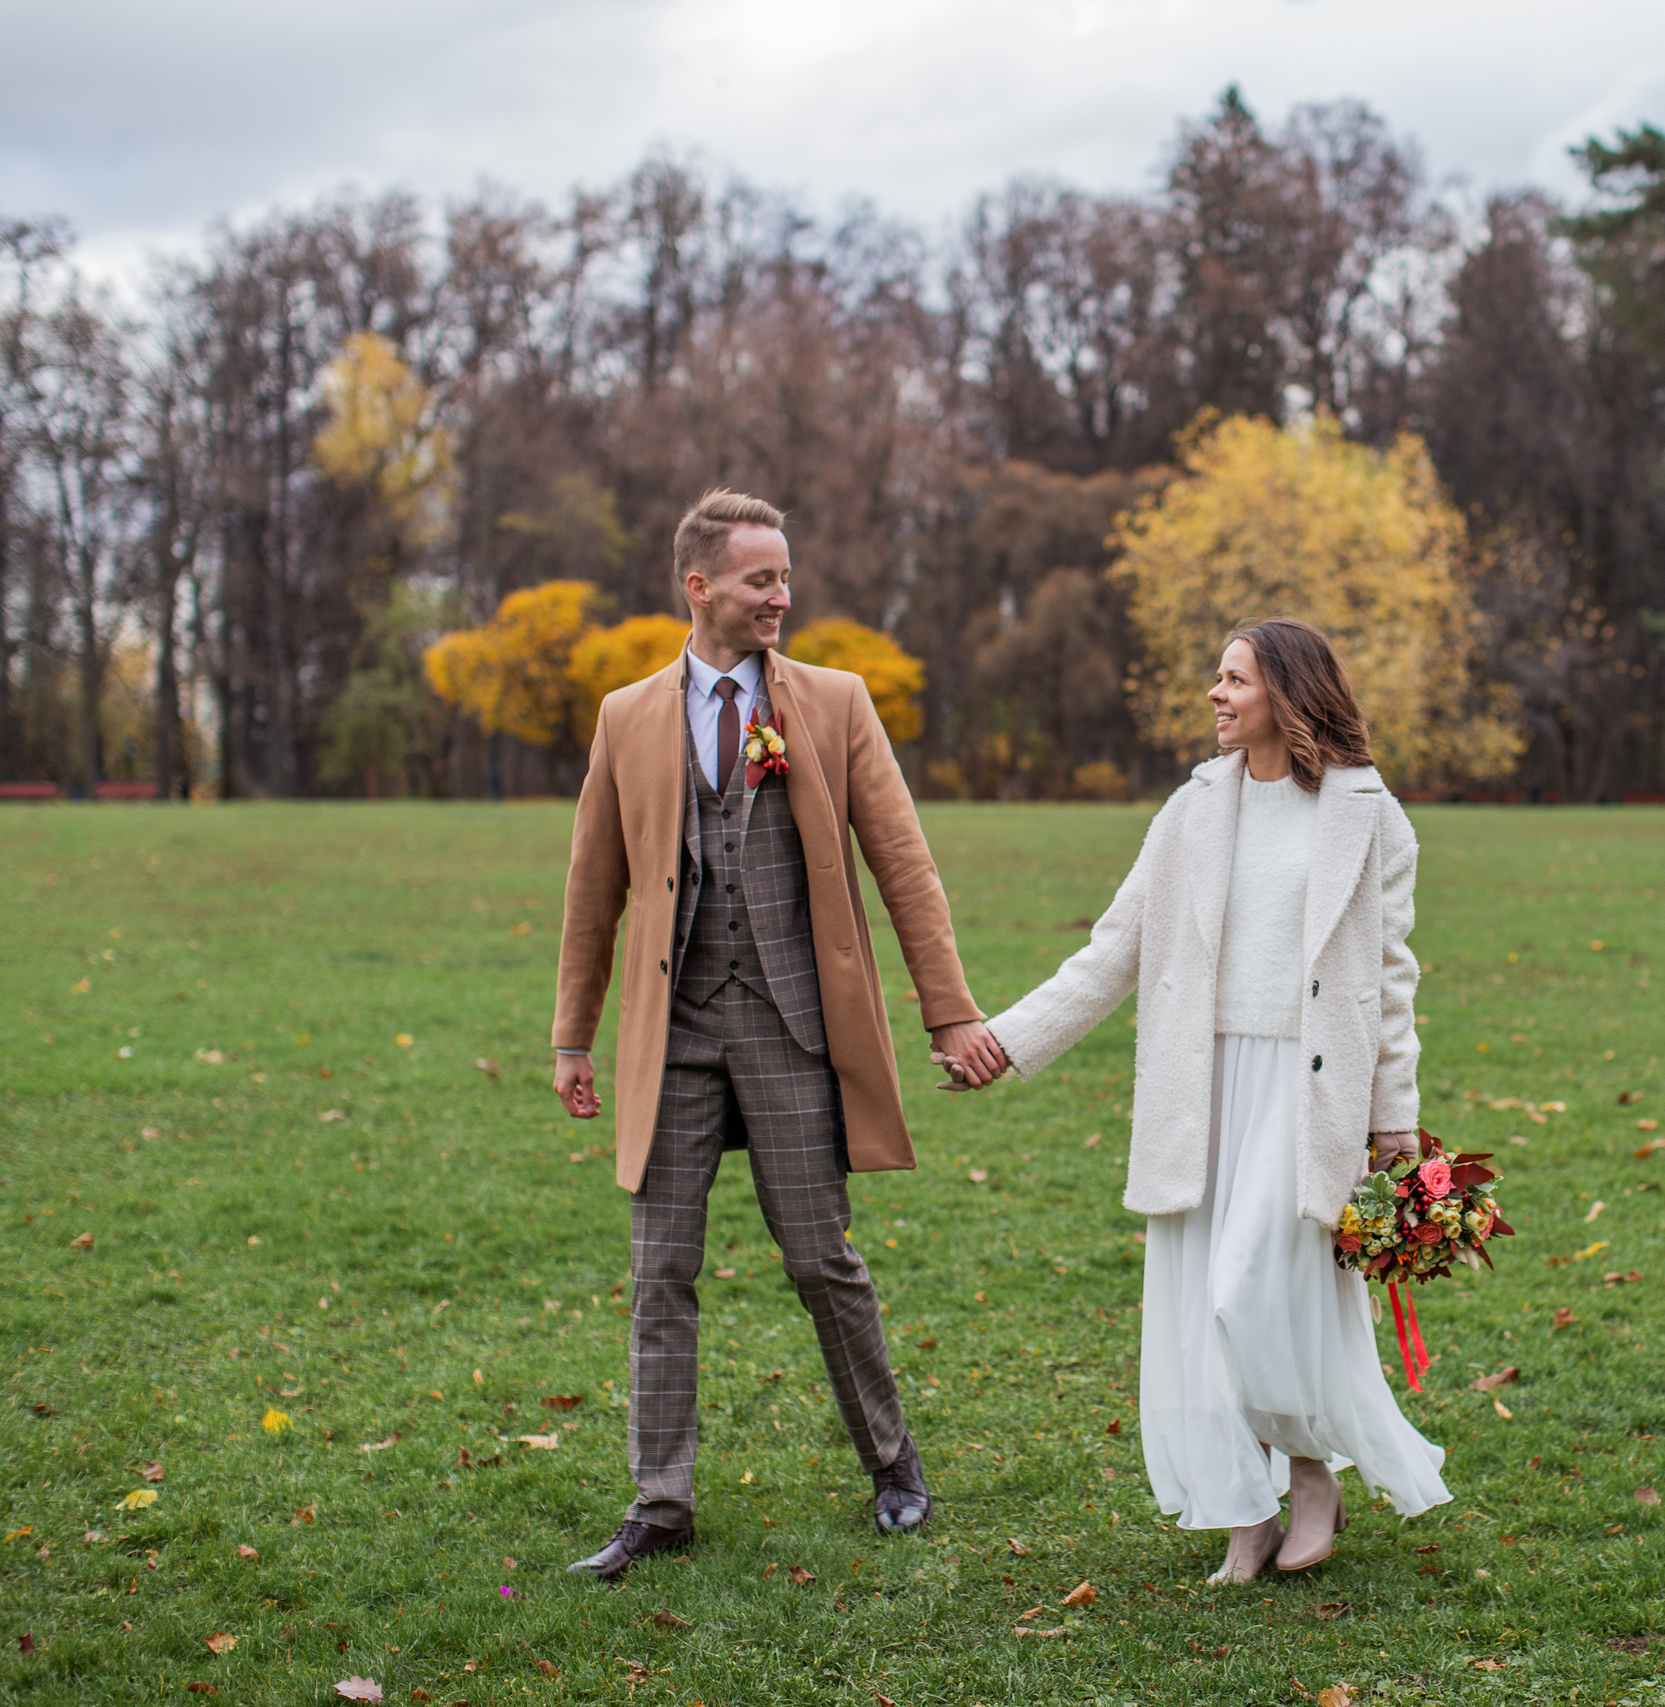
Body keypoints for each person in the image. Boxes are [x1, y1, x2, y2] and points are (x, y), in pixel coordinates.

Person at [549, 489, 1008, 1580]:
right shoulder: (626, 717)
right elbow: (590, 889)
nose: (781, 597)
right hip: (675, 1040)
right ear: (698, 586)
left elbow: (904, 865)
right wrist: (573, 1036)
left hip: (793, 1028)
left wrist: (949, 1011)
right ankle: (660, 1502)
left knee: (821, 1260)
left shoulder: (837, 704)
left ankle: (895, 1467)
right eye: (761, 580)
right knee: (660, 1270)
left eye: (786, 578)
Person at [966, 617, 1451, 1585]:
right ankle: (1242, 1512)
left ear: (1287, 692)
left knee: (1254, 1290)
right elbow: (1115, 949)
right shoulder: (1190, 810)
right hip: (1205, 1087)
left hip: (1309, 1096)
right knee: (1202, 1305)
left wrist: (1393, 1120)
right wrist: (1004, 1042)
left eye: (1232, 679)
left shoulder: (1368, 816)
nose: (1213, 695)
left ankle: (1310, 1470)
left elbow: (1389, 981)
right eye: (1215, 677)